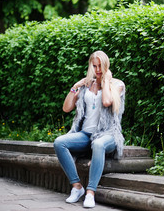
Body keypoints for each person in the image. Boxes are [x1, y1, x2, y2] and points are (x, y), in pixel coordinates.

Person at [54, 50, 125, 208]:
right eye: (95, 66)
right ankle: (77, 187)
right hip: (86, 135)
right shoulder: (87, 85)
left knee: (99, 144)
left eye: (101, 66)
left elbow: (107, 101)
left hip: (108, 135)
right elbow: (66, 108)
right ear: (91, 66)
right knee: (59, 142)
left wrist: (106, 81)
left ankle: (90, 192)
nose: (98, 70)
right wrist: (76, 86)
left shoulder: (117, 84)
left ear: (107, 65)